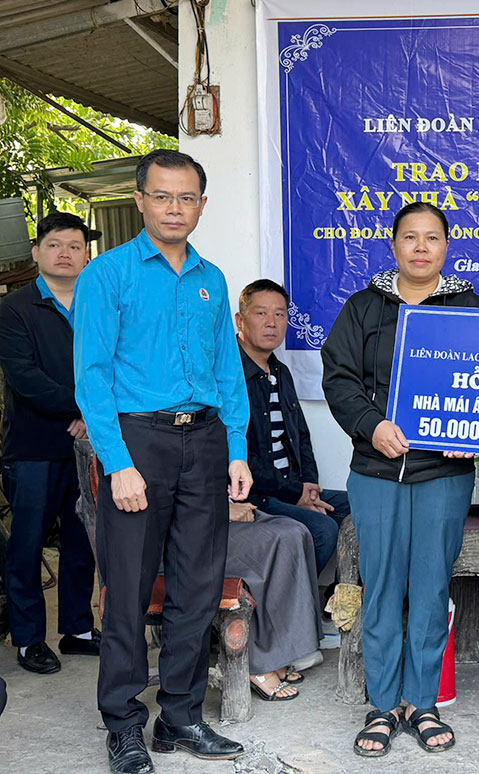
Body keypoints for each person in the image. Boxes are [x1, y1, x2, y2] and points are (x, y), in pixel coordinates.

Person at [74, 150, 250, 774]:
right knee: (126, 590)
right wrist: (117, 462)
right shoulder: (107, 275)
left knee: (197, 589)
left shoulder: (212, 278)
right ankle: (123, 725)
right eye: (162, 196)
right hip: (137, 444)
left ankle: (180, 715)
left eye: (187, 198)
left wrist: (236, 449)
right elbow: (92, 377)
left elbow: (228, 371)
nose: (175, 208)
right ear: (140, 200)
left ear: (201, 205)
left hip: (203, 442)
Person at [321, 201, 479, 758]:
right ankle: (383, 704)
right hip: (377, 470)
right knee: (383, 588)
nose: (420, 247)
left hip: (444, 472)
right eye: (410, 237)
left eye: (431, 237)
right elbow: (339, 378)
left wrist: (474, 430)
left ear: (447, 246)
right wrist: (372, 426)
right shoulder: (363, 307)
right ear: (393, 245)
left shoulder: (470, 308)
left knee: (432, 587)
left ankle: (421, 702)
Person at [0, 213, 100, 674]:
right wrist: (84, 408)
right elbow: (26, 379)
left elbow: (116, 364)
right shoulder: (15, 308)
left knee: (82, 539)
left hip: (89, 444)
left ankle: (78, 629)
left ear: (86, 255)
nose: (65, 253)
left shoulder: (99, 303)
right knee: (28, 544)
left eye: (75, 246)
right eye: (55, 244)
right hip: (33, 448)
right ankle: (28, 639)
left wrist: (90, 416)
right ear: (36, 252)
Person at [235, 278, 350, 575]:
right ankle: (292, 598)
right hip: (257, 495)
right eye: (261, 313)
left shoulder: (281, 371)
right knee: (322, 530)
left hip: (292, 486)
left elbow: (301, 436)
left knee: (358, 506)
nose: (271, 323)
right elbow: (240, 456)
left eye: (280, 314)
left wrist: (309, 487)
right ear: (240, 321)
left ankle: (343, 593)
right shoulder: (228, 374)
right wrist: (295, 493)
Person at [224, 501, 322, 703]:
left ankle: (278, 653)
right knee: (281, 539)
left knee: (296, 530)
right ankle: (258, 665)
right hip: (186, 529)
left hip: (210, 507)